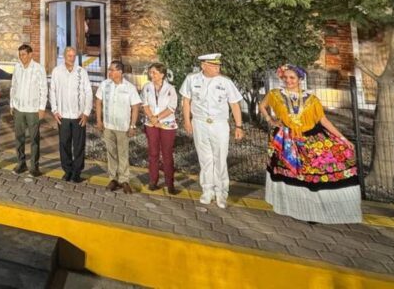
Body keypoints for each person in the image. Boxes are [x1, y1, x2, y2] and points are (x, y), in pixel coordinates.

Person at [259, 64, 362, 224]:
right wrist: (270, 120)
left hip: (310, 139)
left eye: (292, 77)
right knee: (293, 175)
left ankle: (316, 211)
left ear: (300, 79)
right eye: (285, 77)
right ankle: (295, 209)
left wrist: (343, 139)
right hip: (286, 140)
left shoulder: (312, 99)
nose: (288, 80)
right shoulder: (275, 94)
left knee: (315, 174)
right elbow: (262, 105)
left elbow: (323, 120)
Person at [180, 53, 244, 209]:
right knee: (205, 159)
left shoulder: (225, 81)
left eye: (218, 65)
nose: (218, 68)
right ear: (203, 66)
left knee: (220, 159)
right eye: (214, 65)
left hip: (219, 124)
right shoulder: (191, 79)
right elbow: (186, 101)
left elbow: (234, 104)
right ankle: (207, 191)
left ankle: (221, 193)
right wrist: (187, 121)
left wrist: (239, 126)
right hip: (199, 123)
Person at [95, 61, 142, 194]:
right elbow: (98, 102)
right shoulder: (104, 85)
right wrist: (99, 120)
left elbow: (135, 107)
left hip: (123, 127)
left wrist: (132, 125)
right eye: (109, 69)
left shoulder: (129, 88)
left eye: (112, 70)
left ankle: (124, 180)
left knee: (123, 154)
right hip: (108, 125)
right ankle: (113, 179)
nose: (109, 72)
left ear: (120, 72)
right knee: (111, 153)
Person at [49, 46, 93, 183]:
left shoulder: (81, 72)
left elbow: (88, 92)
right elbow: (52, 91)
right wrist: (54, 110)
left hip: (78, 116)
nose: (72, 58)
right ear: (64, 56)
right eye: (69, 56)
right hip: (63, 115)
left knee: (79, 145)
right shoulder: (57, 71)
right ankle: (67, 171)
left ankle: (77, 172)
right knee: (64, 144)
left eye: (74, 56)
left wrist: (86, 113)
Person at [141, 62, 181, 194]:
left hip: (166, 124)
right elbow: (145, 104)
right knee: (153, 153)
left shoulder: (171, 89)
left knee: (167, 154)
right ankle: (153, 181)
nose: (151, 75)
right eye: (150, 72)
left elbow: (171, 108)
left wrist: (157, 118)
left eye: (154, 72)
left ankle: (170, 184)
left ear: (162, 74)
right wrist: (152, 118)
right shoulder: (146, 87)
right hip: (151, 123)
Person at [10, 43, 47, 176]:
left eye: (24, 54)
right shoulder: (17, 67)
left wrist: (42, 108)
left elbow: (44, 89)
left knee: (34, 139)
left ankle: (34, 167)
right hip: (19, 108)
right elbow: (13, 86)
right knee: (19, 138)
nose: (22, 57)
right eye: (20, 55)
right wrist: (11, 104)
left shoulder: (39, 69)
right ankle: (21, 164)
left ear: (30, 54)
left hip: (33, 110)